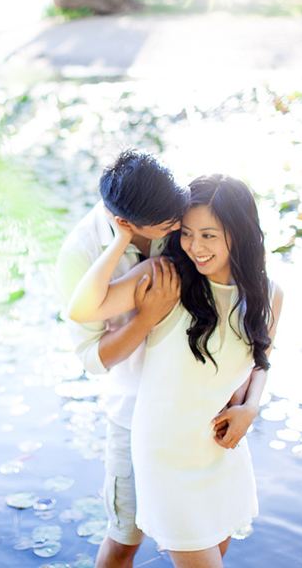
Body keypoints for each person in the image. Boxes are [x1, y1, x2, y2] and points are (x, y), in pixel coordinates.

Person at [67, 174, 284, 568]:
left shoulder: (269, 293)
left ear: (239, 233)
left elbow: (261, 360)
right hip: (165, 453)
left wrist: (251, 407)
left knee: (218, 551)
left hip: (219, 445)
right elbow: (81, 309)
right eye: (186, 233)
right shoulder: (167, 277)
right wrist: (120, 240)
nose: (195, 247)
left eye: (209, 236)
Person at [56, 149, 188, 568]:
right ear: (127, 223)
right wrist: (145, 318)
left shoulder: (179, 210)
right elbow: (92, 359)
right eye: (169, 225)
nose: (180, 224)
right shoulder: (79, 255)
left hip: (194, 403)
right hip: (132, 411)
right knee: (124, 537)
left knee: (205, 530)